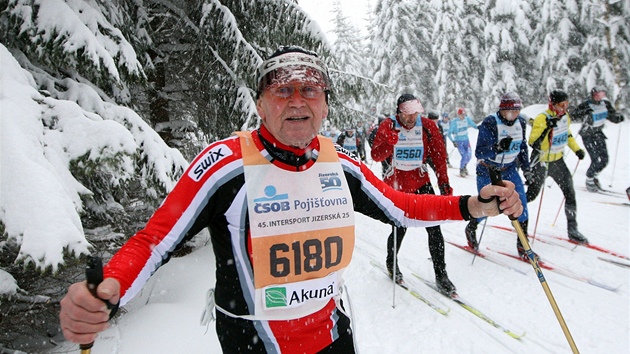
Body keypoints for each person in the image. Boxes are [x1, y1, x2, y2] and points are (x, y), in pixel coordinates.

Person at [59, 45, 522, 354]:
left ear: (324, 104)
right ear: (260, 104)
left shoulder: (338, 163)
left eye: (309, 89)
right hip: (254, 342)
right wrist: (111, 289)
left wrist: (475, 205)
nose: (296, 99)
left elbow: (405, 208)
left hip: (333, 334)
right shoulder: (224, 165)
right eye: (282, 89)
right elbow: (154, 241)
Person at [370, 94, 456, 295]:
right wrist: (389, 143)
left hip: (421, 181)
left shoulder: (427, 126)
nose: (411, 119)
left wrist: (444, 182)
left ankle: (441, 274)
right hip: (397, 185)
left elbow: (438, 155)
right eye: (407, 114)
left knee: (434, 228)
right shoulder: (388, 126)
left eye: (415, 114)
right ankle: (392, 262)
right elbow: (376, 155)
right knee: (400, 228)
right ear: (399, 111)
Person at [465, 93, 533, 260]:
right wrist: (497, 147)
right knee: (488, 207)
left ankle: (523, 246)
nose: (513, 115)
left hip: (509, 169)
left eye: (516, 111)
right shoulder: (490, 123)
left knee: (520, 205)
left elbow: (522, 147)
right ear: (502, 110)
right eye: (510, 111)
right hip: (488, 170)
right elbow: (479, 152)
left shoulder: (521, 123)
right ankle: (471, 227)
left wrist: (527, 169)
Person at [526, 89, 588, 244]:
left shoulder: (565, 117)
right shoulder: (542, 118)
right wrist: (547, 128)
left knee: (570, 193)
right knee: (532, 195)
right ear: (552, 104)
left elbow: (567, 135)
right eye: (561, 105)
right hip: (540, 161)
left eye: (567, 104)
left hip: (557, 161)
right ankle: (514, 213)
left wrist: (577, 149)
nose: (564, 108)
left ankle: (573, 229)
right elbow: (533, 143)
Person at [572, 85, 625, 192]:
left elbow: (611, 116)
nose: (600, 97)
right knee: (595, 159)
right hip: (587, 134)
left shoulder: (605, 104)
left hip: (598, 133)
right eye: (598, 94)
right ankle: (589, 179)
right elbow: (572, 116)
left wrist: (618, 118)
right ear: (593, 95)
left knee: (605, 159)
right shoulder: (587, 104)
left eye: (602, 94)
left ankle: (594, 176)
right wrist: (583, 112)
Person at [448, 107, 478, 177]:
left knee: (469, 155)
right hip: (459, 141)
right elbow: (449, 133)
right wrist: (453, 141)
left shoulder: (467, 119)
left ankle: (464, 166)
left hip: (466, 141)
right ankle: (461, 170)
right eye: (461, 115)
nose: (463, 116)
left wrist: (479, 127)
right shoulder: (454, 122)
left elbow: (473, 124)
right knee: (464, 155)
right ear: (458, 115)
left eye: (464, 115)